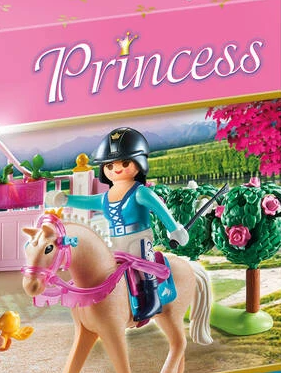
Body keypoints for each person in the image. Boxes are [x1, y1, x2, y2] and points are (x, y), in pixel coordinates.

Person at [54, 128, 188, 323]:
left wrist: (175, 229)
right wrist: (66, 199)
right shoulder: (106, 197)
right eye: (110, 165)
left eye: (125, 163)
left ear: (139, 163)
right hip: (115, 240)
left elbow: (161, 210)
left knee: (142, 265)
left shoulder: (140, 192)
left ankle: (152, 299)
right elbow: (87, 201)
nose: (116, 169)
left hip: (138, 238)